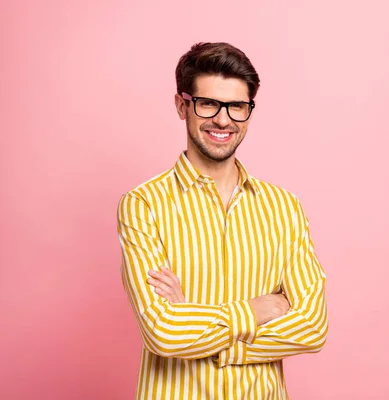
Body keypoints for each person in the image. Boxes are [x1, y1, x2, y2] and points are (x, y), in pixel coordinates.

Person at [116, 42, 328, 400]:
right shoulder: (144, 205)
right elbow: (162, 333)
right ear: (183, 105)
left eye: (237, 107)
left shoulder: (284, 207)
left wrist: (196, 323)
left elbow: (311, 328)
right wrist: (257, 310)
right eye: (209, 103)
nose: (224, 119)